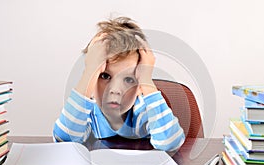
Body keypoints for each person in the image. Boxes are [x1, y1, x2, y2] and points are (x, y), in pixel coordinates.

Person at [53, 16, 185, 152]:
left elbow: (169, 143)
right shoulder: (87, 114)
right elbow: (64, 140)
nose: (115, 90)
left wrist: (146, 80)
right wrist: (89, 72)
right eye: (105, 76)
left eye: (128, 80)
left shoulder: (143, 112)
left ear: (140, 86)